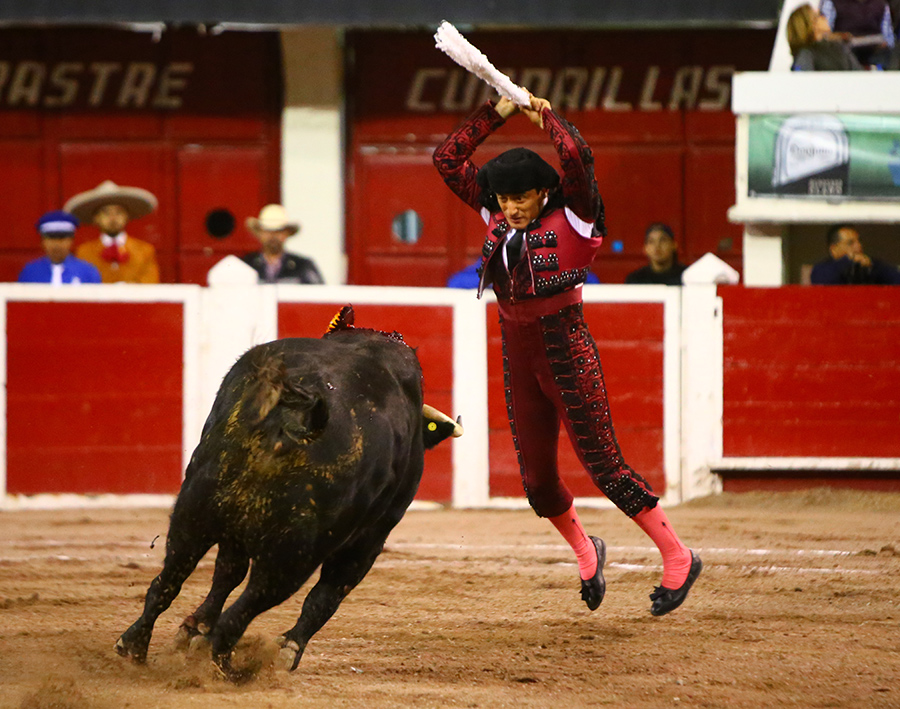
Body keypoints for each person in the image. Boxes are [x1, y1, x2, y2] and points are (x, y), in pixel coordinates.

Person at [434, 94, 701, 616]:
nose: (509, 207)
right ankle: (585, 550)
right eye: (503, 198)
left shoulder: (577, 215)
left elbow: (577, 156)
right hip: (518, 355)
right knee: (535, 482)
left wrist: (544, 116)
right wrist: (498, 112)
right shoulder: (494, 213)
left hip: (566, 351)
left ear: (543, 193)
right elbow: (447, 159)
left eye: (521, 198)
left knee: (605, 466)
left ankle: (678, 554)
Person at [64, 181, 161, 283]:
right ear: (96, 218)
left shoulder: (145, 251)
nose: (113, 218)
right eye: (106, 213)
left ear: (127, 216)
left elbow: (150, 286)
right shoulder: (84, 252)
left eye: (118, 212)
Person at [242, 204, 324, 284]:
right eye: (267, 230)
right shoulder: (246, 265)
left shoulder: (303, 266)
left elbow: (320, 294)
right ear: (259, 233)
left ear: (286, 233)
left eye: (278, 231)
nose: (272, 235)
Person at [17, 210, 102, 285]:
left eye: (62, 238)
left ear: (71, 240)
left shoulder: (88, 272)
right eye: (51, 238)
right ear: (42, 241)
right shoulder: (30, 272)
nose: (57, 244)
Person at [810, 224, 900, 284]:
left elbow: (896, 278)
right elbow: (822, 281)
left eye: (858, 242)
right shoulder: (822, 269)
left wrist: (870, 268)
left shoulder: (872, 265)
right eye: (850, 243)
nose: (858, 246)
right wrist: (847, 261)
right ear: (834, 249)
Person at [787, 4, 864, 70]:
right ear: (811, 25)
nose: (825, 17)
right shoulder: (806, 54)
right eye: (819, 15)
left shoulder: (839, 47)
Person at [820, 0, 895, 66]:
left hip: (875, 55)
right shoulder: (831, 2)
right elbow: (823, 35)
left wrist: (885, 44)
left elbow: (889, 39)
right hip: (842, 55)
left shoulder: (881, 4)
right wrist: (840, 37)